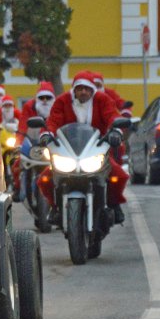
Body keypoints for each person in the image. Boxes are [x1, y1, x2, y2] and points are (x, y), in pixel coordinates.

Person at [41, 72, 129, 221]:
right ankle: (55, 207)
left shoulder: (102, 99)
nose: (83, 92)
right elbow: (53, 120)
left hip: (96, 147)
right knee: (44, 179)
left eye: (87, 89)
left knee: (118, 175)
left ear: (92, 90)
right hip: (67, 149)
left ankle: (114, 204)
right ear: (74, 90)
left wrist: (115, 131)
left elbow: (112, 116)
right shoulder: (62, 101)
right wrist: (46, 133)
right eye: (79, 88)